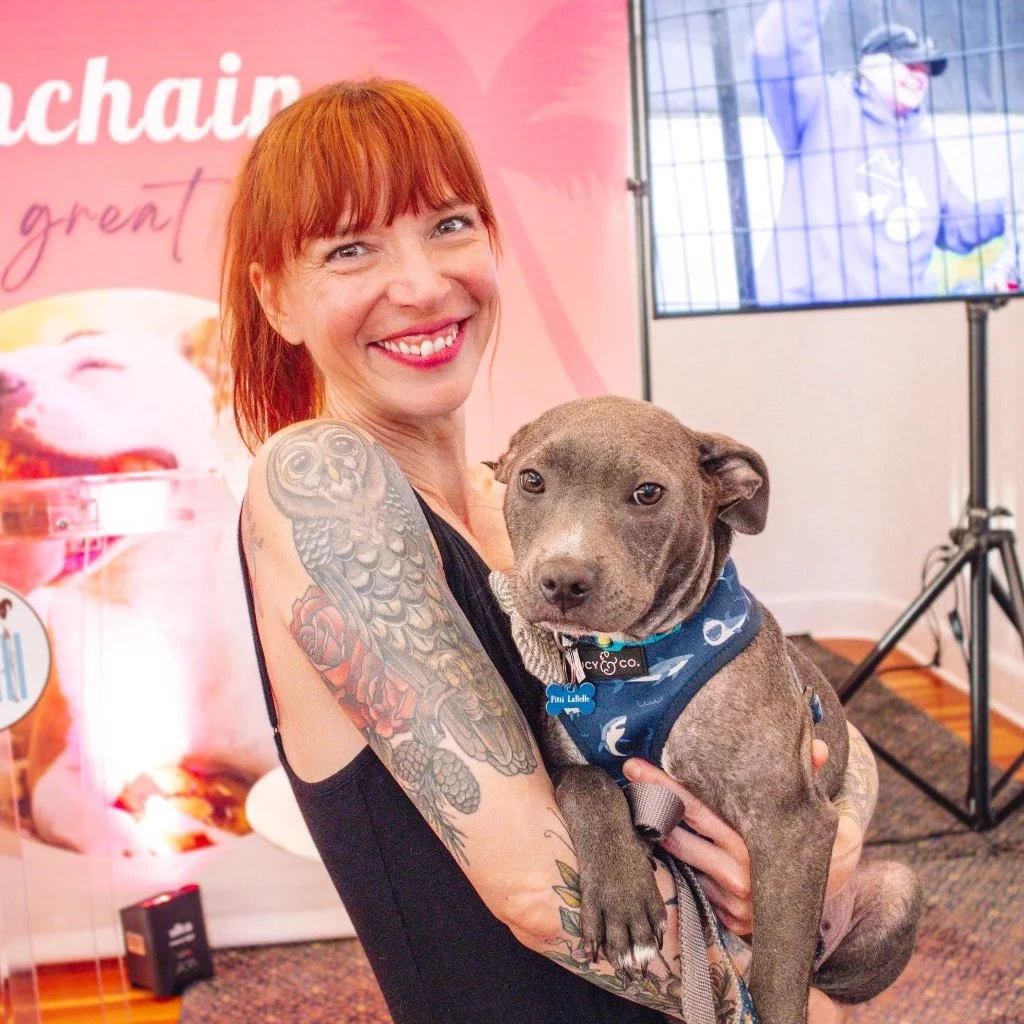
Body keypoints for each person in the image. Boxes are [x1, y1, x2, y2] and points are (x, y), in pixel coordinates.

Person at [227, 79, 875, 1024]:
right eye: (351, 249)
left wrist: (829, 844)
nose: (420, 283)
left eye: (449, 225)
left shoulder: (535, 510)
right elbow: (545, 898)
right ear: (276, 299)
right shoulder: (325, 481)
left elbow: (782, 714)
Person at [752, 0, 1017, 304]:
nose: (921, 75)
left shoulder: (922, 144)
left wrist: (1012, 206)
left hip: (896, 324)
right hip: (809, 314)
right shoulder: (822, 107)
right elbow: (774, 51)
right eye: (909, 63)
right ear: (872, 66)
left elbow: (954, 227)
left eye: (927, 69)